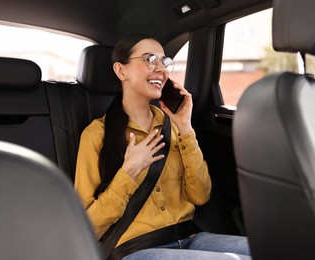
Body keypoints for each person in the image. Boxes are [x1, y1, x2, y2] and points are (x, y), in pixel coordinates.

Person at [74, 34, 250, 260]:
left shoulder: (173, 126)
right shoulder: (96, 136)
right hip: (136, 248)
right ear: (121, 71)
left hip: (190, 237)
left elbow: (201, 196)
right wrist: (128, 172)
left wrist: (186, 128)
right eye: (150, 59)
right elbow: (87, 228)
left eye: (164, 62)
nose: (161, 69)